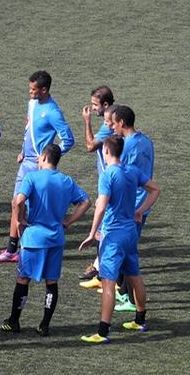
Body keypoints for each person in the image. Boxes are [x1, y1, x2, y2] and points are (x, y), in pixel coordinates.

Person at [0, 144, 91, 336]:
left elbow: (18, 201)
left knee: (23, 279)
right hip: (56, 238)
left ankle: (14, 321)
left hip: (34, 238)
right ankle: (44, 325)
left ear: (43, 157)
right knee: (52, 282)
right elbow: (86, 202)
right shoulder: (66, 181)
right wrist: (68, 221)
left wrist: (19, 221)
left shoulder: (32, 177)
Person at [79, 136, 160, 343]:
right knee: (134, 276)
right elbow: (155, 189)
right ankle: (140, 320)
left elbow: (101, 206)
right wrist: (139, 211)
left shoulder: (108, 175)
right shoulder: (131, 171)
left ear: (106, 151)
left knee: (108, 283)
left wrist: (91, 233)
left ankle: (102, 332)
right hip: (130, 232)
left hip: (113, 236)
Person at [0, 70, 75, 263]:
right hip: (26, 162)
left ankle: (34, 248)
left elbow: (68, 139)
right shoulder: (31, 104)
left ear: (44, 90)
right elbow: (28, 129)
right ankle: (12, 250)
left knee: (31, 209)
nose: (30, 92)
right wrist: (23, 150)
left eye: (33, 89)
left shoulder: (53, 112)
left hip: (39, 166)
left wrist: (49, 157)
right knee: (15, 204)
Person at [110, 105, 155, 312]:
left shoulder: (125, 146)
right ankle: (124, 292)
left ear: (121, 123)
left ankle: (127, 297)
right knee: (128, 252)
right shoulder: (146, 141)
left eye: (113, 123)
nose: (112, 127)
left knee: (127, 254)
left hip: (130, 208)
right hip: (142, 206)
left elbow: (121, 174)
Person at [79, 86, 114, 281]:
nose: (92, 108)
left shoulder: (108, 125)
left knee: (104, 225)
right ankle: (100, 267)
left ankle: (102, 272)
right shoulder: (113, 120)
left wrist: (87, 122)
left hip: (109, 181)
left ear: (106, 105)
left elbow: (90, 146)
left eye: (95, 104)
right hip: (108, 179)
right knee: (104, 224)